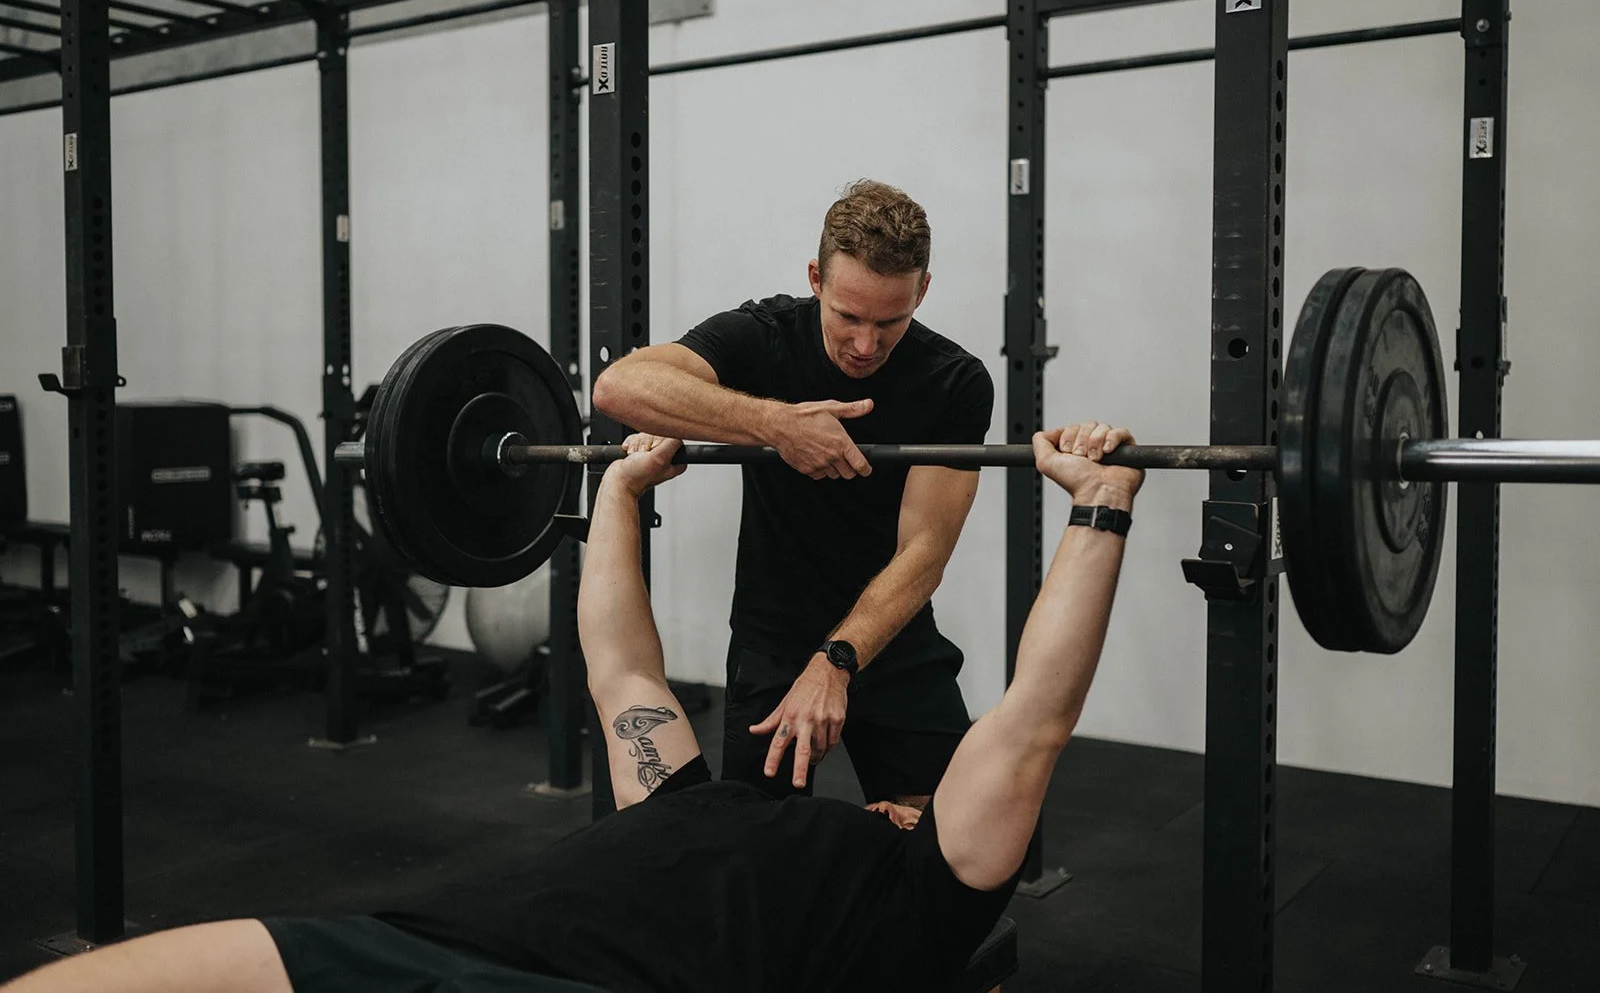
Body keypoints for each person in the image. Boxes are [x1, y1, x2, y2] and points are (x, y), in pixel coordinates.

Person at [1, 422, 1144, 993]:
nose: (912, 795)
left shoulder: (924, 897)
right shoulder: (694, 800)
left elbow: (1030, 719)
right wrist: (618, 488)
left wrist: (1097, 507)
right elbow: (622, 668)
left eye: (924, 799)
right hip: (434, 937)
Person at [591, 179, 994, 805]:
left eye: (891, 321)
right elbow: (619, 387)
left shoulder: (955, 381)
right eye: (848, 316)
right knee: (757, 842)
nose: (866, 345)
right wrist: (777, 424)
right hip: (772, 644)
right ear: (815, 280)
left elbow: (926, 550)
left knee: (948, 841)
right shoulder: (765, 334)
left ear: (922, 292)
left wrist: (836, 660)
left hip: (895, 639)